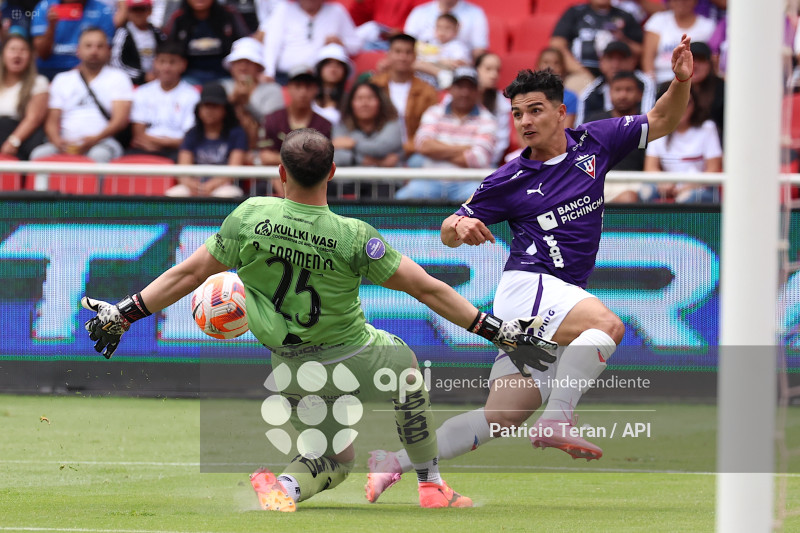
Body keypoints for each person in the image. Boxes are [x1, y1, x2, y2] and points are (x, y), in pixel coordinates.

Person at [79, 127, 555, 511]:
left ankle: (284, 486)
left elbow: (187, 274)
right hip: (354, 354)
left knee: (331, 458)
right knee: (407, 371)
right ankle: (431, 485)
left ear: (280, 173)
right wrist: (495, 330)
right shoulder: (353, 236)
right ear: (332, 172)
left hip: (290, 367)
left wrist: (125, 312)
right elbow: (427, 288)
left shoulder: (249, 216)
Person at [365, 35, 696, 501]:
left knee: (501, 417)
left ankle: (392, 463)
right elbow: (447, 229)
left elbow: (662, 119)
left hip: (553, 298)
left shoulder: (596, 141)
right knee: (607, 325)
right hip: (530, 288)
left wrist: (680, 81)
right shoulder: (509, 178)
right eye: (517, 113)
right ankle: (558, 420)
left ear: (562, 113)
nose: (525, 121)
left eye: (535, 110)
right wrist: (458, 226)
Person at [30, 27, 133, 189]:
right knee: (39, 155)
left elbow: (119, 121)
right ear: (78, 50)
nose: (94, 51)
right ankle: (39, 204)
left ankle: (95, 204)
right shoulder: (62, 79)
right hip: (65, 143)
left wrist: (94, 140)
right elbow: (51, 120)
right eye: (88, 45)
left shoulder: (119, 78)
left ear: (108, 51)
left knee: (98, 156)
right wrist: (57, 141)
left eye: (100, 46)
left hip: (103, 142)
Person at [394, 66, 496, 202]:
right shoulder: (434, 112)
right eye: (460, 86)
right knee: (401, 199)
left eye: (470, 87)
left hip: (468, 182)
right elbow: (423, 146)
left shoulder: (488, 119)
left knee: (483, 201)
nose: (465, 92)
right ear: (451, 89)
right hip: (430, 180)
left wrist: (436, 151)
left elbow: (478, 158)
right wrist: (463, 148)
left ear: (477, 91)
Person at [259, 66, 332, 197]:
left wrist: (282, 159)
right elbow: (265, 157)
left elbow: (323, 160)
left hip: (313, 181)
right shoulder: (272, 119)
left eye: (308, 87)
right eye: (298, 86)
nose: (303, 92)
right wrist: (304, 158)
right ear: (288, 88)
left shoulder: (324, 124)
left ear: (315, 89)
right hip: (274, 178)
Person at [165, 82, 245, 197]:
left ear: (225, 110)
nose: (209, 111)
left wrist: (212, 185)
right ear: (199, 109)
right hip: (196, 185)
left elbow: (234, 169)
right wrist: (190, 184)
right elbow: (183, 168)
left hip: (225, 185)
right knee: (174, 194)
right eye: (206, 106)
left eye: (215, 106)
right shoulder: (192, 133)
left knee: (225, 195)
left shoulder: (237, 134)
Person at [368, 33, 439, 160]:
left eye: (408, 52)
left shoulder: (427, 91)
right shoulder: (374, 85)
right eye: (398, 52)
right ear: (388, 54)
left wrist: (402, 152)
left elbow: (430, 129)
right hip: (376, 148)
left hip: (412, 152)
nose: (403, 57)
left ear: (415, 56)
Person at [549, 0, 643, 94]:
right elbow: (557, 44)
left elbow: (640, 51)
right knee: (573, 89)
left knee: (624, 89)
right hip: (581, 74)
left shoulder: (624, 16)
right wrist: (581, 71)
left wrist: (622, 38)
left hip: (617, 75)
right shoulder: (575, 12)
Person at [642, 93, 721, 203]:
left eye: (686, 103)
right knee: (645, 191)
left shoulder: (707, 128)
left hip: (700, 187)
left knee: (687, 198)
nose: (681, 108)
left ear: (694, 105)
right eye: (675, 103)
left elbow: (713, 170)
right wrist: (663, 182)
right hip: (668, 187)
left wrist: (688, 186)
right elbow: (650, 168)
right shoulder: (657, 128)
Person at [260, 0, 360, 85]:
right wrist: (269, 72)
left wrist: (341, 42)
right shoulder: (284, 10)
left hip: (321, 81)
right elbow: (272, 44)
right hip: (286, 77)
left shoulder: (336, 11)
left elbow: (356, 45)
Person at [128, 41, 199, 161]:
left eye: (172, 62)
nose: (166, 68)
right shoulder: (142, 92)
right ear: (155, 63)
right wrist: (165, 143)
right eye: (162, 62)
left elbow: (188, 138)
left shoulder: (192, 95)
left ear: (183, 65)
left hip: (178, 151)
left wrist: (161, 144)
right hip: (146, 148)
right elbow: (138, 134)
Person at [220, 37, 284, 165]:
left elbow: (273, 125)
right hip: (223, 147)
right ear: (231, 66)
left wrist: (247, 104)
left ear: (259, 67)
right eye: (238, 62)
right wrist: (233, 100)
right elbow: (209, 119)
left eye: (248, 62)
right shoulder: (221, 87)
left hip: (262, 150)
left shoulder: (272, 90)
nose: (243, 67)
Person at [585, 71, 646, 202]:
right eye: (617, 90)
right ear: (610, 93)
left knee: (629, 198)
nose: (623, 95)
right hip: (597, 182)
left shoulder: (645, 124)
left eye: (629, 90)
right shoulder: (594, 122)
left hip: (633, 183)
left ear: (640, 95)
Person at [163, 0, 248, 85]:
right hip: (188, 77)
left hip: (225, 75)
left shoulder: (228, 15)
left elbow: (245, 43)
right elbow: (168, 49)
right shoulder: (179, 18)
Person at [575, 40, 656, 126]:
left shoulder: (645, 84)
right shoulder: (589, 94)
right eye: (610, 59)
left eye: (621, 59)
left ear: (632, 62)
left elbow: (648, 121)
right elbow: (580, 129)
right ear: (601, 62)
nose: (615, 65)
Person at [30, 0, 116, 79]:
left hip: (87, 69)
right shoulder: (45, 6)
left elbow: (105, 53)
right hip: (48, 69)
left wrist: (71, 76)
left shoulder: (103, 11)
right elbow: (42, 54)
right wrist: (51, 26)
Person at [642, 0, 715, 85]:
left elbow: (708, 60)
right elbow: (648, 57)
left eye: (685, 1)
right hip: (660, 79)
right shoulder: (658, 20)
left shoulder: (708, 26)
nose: (681, 2)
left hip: (693, 81)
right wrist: (651, 82)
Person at [333, 80, 402, 168]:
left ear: (381, 102)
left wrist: (353, 144)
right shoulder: (341, 126)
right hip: (351, 177)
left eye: (370, 98)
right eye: (359, 98)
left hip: (388, 177)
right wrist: (378, 163)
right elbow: (338, 156)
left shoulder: (392, 124)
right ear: (351, 103)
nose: (364, 104)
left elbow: (382, 148)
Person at [0, 35, 48, 160]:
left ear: (31, 56)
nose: (17, 55)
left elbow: (33, 119)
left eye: (23, 50)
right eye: (12, 49)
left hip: (21, 141)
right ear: (3, 55)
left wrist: (14, 141)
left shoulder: (39, 82)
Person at [404, 0, 488, 59]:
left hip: (458, 70)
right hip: (421, 68)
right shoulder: (419, 12)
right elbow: (406, 45)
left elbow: (479, 51)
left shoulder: (475, 14)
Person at [111, 0, 165, 85]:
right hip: (132, 83)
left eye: (142, 9)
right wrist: (142, 76)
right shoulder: (123, 33)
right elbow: (116, 62)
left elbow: (166, 54)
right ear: (128, 12)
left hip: (157, 81)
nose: (138, 14)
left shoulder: (157, 33)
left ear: (150, 11)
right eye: (135, 10)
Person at [413, 13, 470, 89]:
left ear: (456, 30)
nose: (442, 32)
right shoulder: (429, 42)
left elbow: (459, 63)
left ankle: (442, 75)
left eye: (447, 28)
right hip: (424, 79)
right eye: (439, 27)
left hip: (445, 79)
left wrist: (437, 61)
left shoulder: (458, 46)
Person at [312, 43, 353, 127]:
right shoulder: (308, 95)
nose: (333, 69)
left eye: (338, 65)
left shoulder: (349, 100)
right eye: (328, 64)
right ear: (320, 68)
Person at [536, 47, 577, 128]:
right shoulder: (529, 95)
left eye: (556, 63)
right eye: (546, 62)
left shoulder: (571, 97)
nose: (551, 67)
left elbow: (566, 128)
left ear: (563, 68)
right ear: (538, 66)